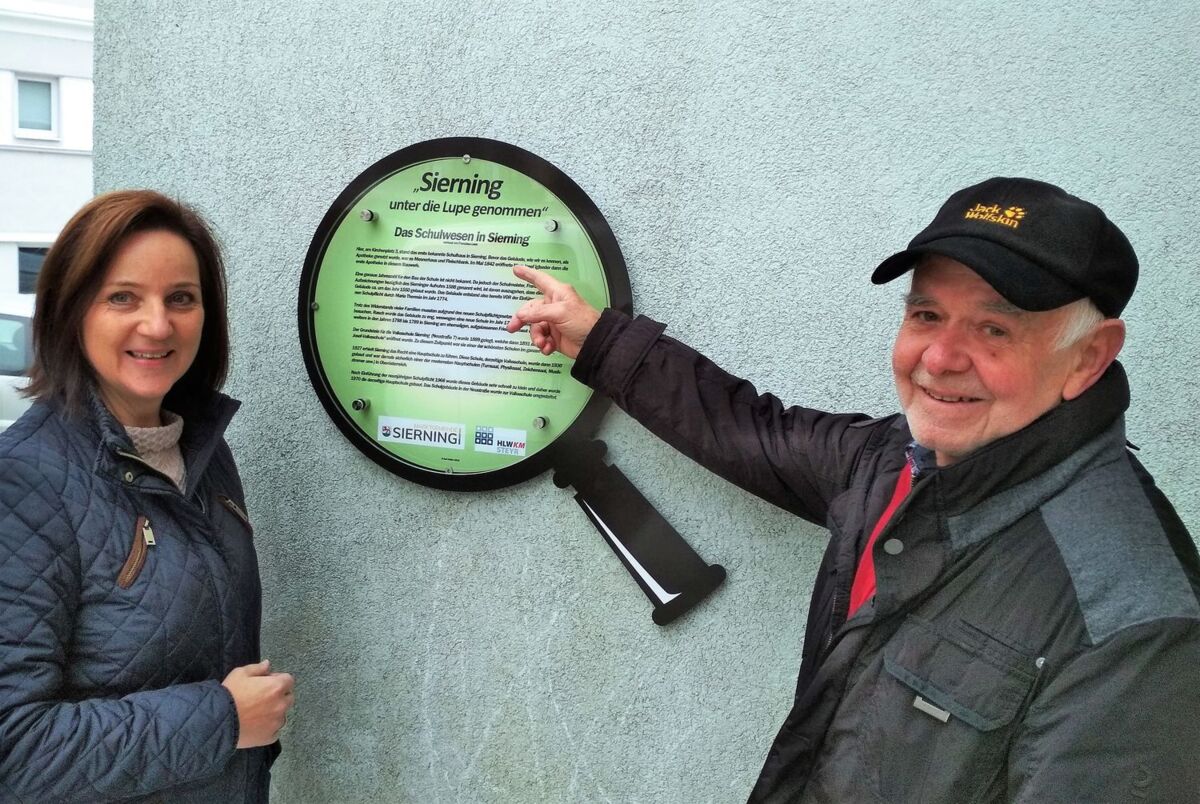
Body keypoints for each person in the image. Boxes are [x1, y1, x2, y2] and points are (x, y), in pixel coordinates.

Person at [506, 177, 1200, 802]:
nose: (939, 359)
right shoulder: (898, 459)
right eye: (926, 315)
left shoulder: (1136, 625)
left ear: (1088, 358)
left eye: (994, 329)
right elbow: (752, 431)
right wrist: (599, 341)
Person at [0, 190, 294, 802]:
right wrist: (223, 720)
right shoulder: (23, 483)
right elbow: (14, 747)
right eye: (122, 297)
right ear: (71, 309)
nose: (158, 325)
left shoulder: (203, 450)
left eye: (180, 298)